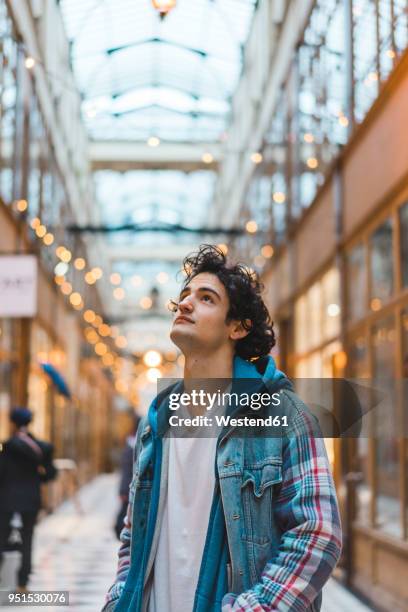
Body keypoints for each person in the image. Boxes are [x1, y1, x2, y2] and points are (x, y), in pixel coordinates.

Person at [103, 245, 342, 612]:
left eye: (206, 298)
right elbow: (133, 533)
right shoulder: (157, 423)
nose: (184, 304)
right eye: (184, 296)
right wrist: (120, 596)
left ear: (238, 327)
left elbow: (317, 533)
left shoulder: (280, 414)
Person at [0, 407, 57, 591]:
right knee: (27, 538)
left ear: (13, 423)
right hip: (31, 499)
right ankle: (22, 583)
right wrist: (37, 477)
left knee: (1, 536)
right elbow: (50, 474)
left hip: (7, 499)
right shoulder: (42, 447)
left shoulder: (7, 447)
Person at [114, 416, 139, 540]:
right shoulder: (132, 447)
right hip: (129, 487)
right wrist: (124, 490)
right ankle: (120, 530)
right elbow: (126, 471)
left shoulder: (130, 445)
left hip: (130, 487)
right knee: (125, 512)